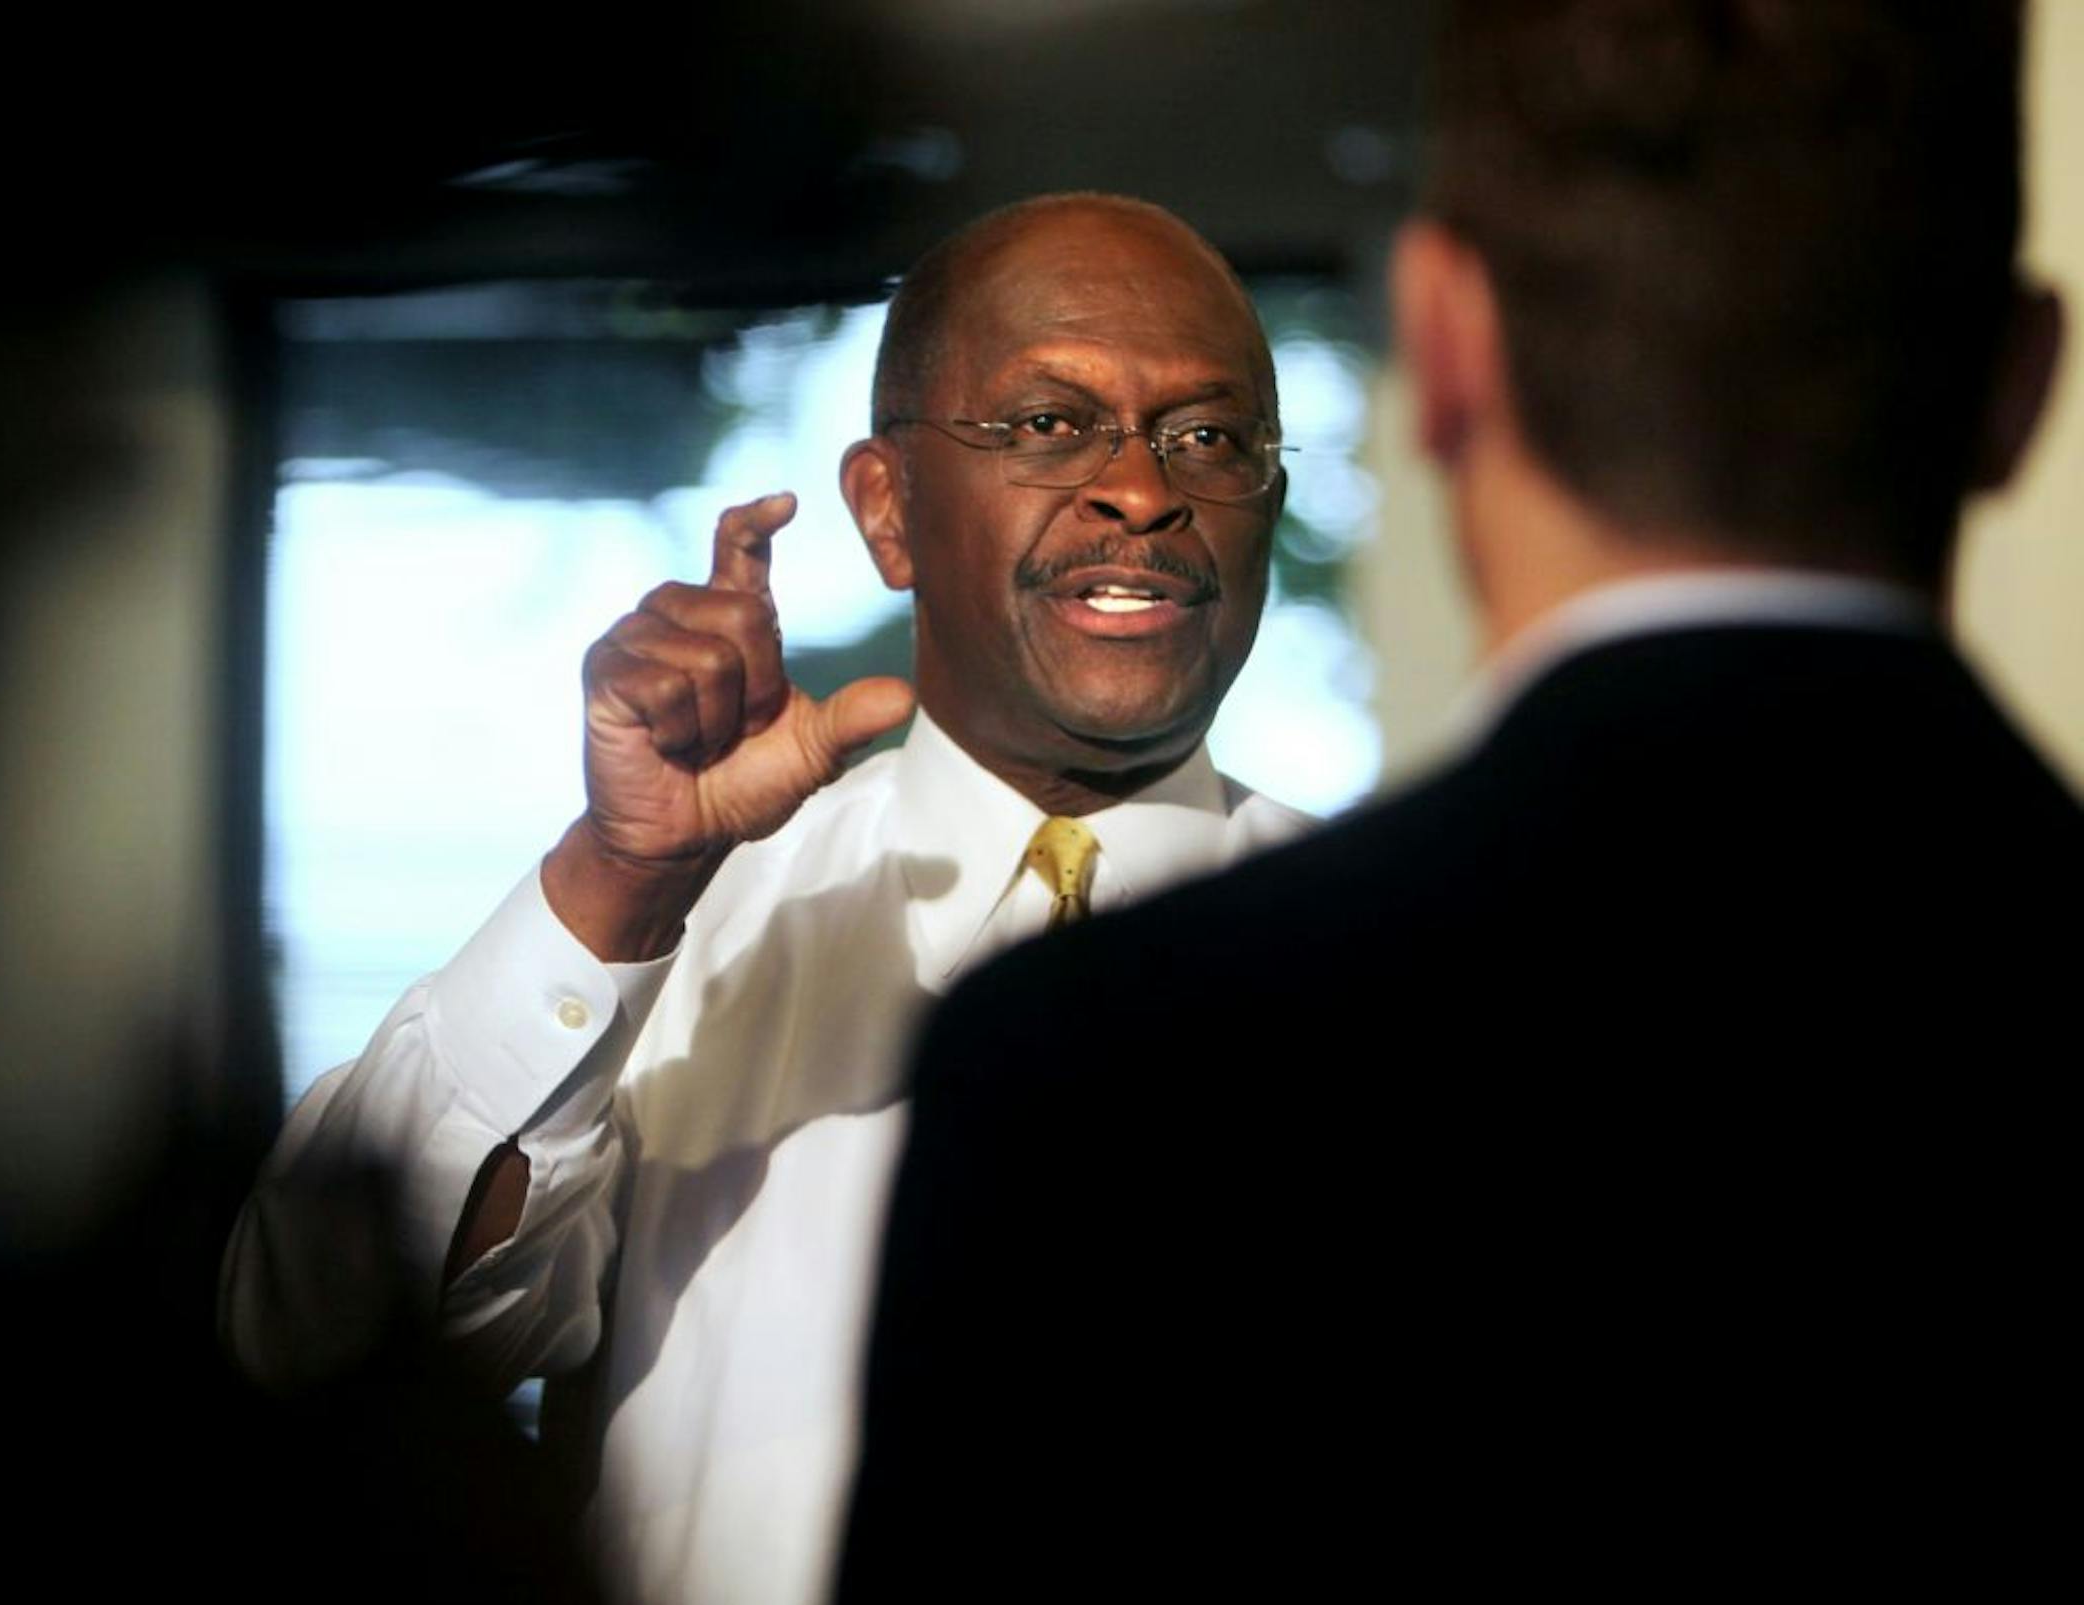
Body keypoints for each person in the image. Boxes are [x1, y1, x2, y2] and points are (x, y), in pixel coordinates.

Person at [841, 4, 2080, 1596]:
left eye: (1205, 434)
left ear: (1439, 346)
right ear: (2022, 383)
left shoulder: (1108, 1065)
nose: (1138, 487)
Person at [221, 192, 1311, 1605]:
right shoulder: (676, 932)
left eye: (1209, 438)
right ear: (887, 506)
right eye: (1050, 424)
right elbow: (301, 1342)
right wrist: (619, 883)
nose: (1143, 490)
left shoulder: (1429, 969)